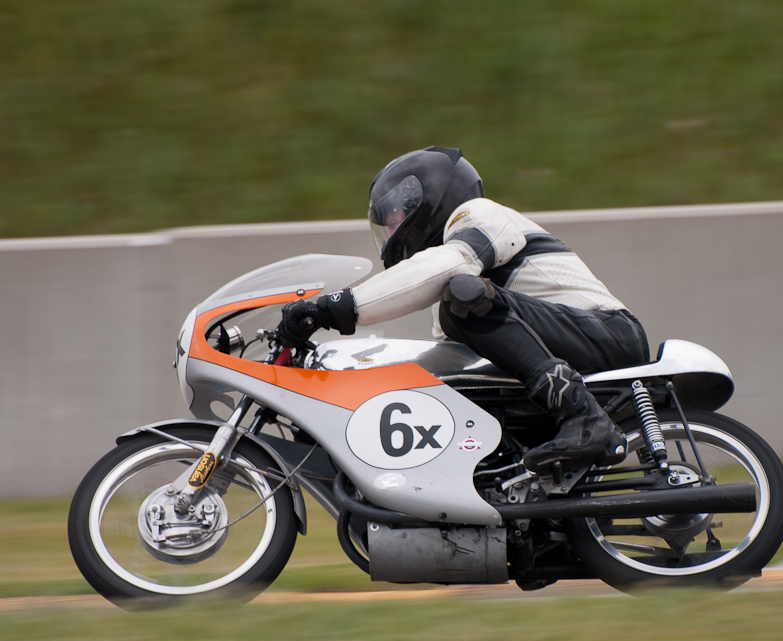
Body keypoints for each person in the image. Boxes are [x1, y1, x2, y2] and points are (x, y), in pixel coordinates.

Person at [279, 146, 650, 474]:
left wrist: (335, 308)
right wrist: (364, 395)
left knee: (463, 299)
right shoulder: (458, 293)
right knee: (466, 382)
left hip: (610, 335)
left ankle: (584, 418)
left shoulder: (479, 216)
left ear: (426, 200)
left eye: (394, 215)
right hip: (569, 345)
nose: (391, 229)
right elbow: (450, 364)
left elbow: (448, 268)